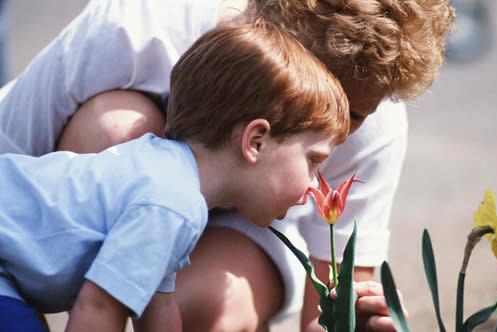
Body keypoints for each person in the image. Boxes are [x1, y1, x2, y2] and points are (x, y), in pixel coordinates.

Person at [0, 0, 455, 331]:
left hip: (239, 227)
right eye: (317, 100)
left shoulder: (373, 111)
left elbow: (328, 306)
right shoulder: (137, 28)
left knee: (212, 306)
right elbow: (13, 162)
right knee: (117, 127)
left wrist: (346, 322)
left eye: (353, 117)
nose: (336, 128)